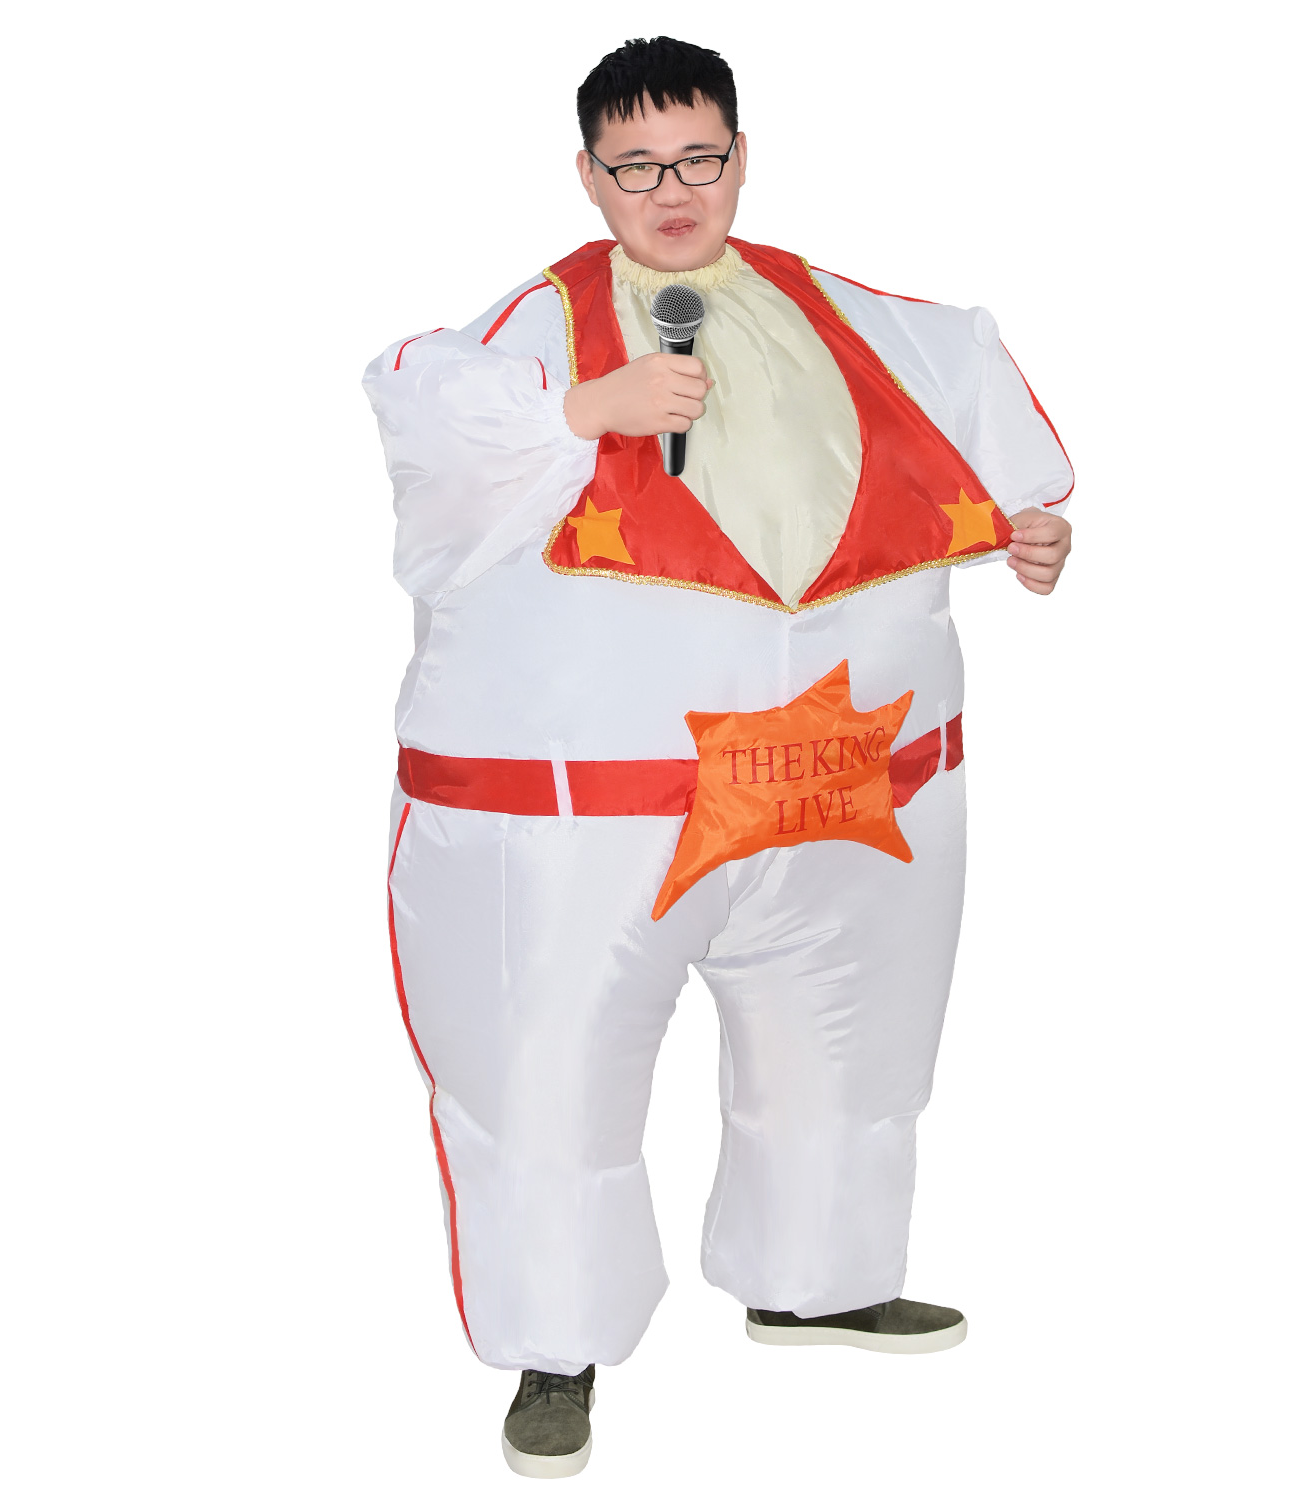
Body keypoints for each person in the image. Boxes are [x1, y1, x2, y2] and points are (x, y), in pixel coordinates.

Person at [364, 36, 1073, 1479]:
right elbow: (428, 429)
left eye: (697, 156)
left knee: (849, 1040)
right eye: (635, 166)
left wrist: (1027, 533)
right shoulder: (530, 338)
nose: (670, 190)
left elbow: (953, 463)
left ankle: (822, 1275)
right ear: (588, 176)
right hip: (590, 821)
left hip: (841, 786)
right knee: (545, 1069)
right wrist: (582, 413)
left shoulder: (859, 322)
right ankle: (556, 1348)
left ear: (741, 157)